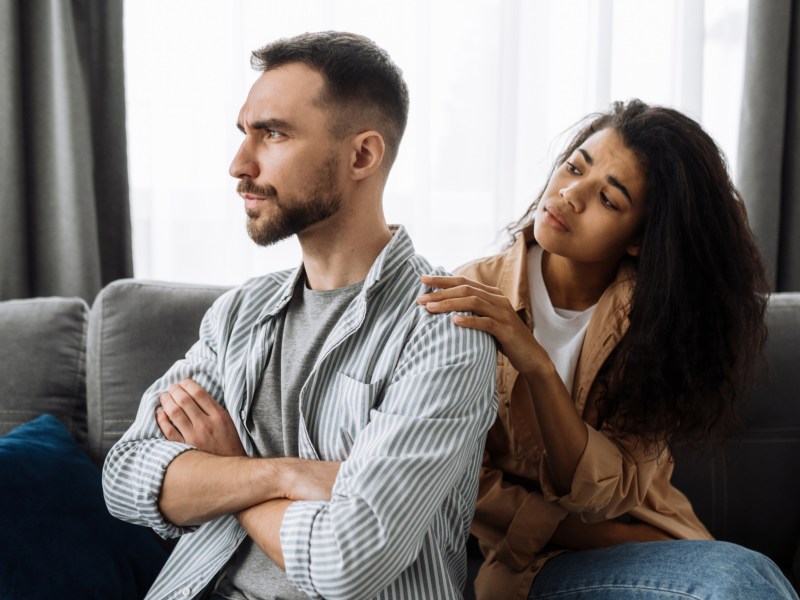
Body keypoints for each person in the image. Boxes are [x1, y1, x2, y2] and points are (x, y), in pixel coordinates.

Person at [103, 31, 497, 600]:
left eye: (274, 134)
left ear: (362, 155)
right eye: (245, 133)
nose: (239, 164)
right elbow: (126, 475)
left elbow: (348, 562)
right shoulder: (240, 313)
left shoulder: (440, 331)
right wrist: (280, 474)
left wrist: (227, 468)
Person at [418, 99, 799, 599]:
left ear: (638, 239)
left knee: (745, 576)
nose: (570, 194)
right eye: (574, 167)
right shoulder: (471, 295)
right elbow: (458, 483)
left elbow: (609, 490)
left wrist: (537, 366)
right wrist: (619, 536)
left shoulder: (661, 319)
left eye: (609, 200)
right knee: (732, 580)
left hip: (665, 548)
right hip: (533, 565)